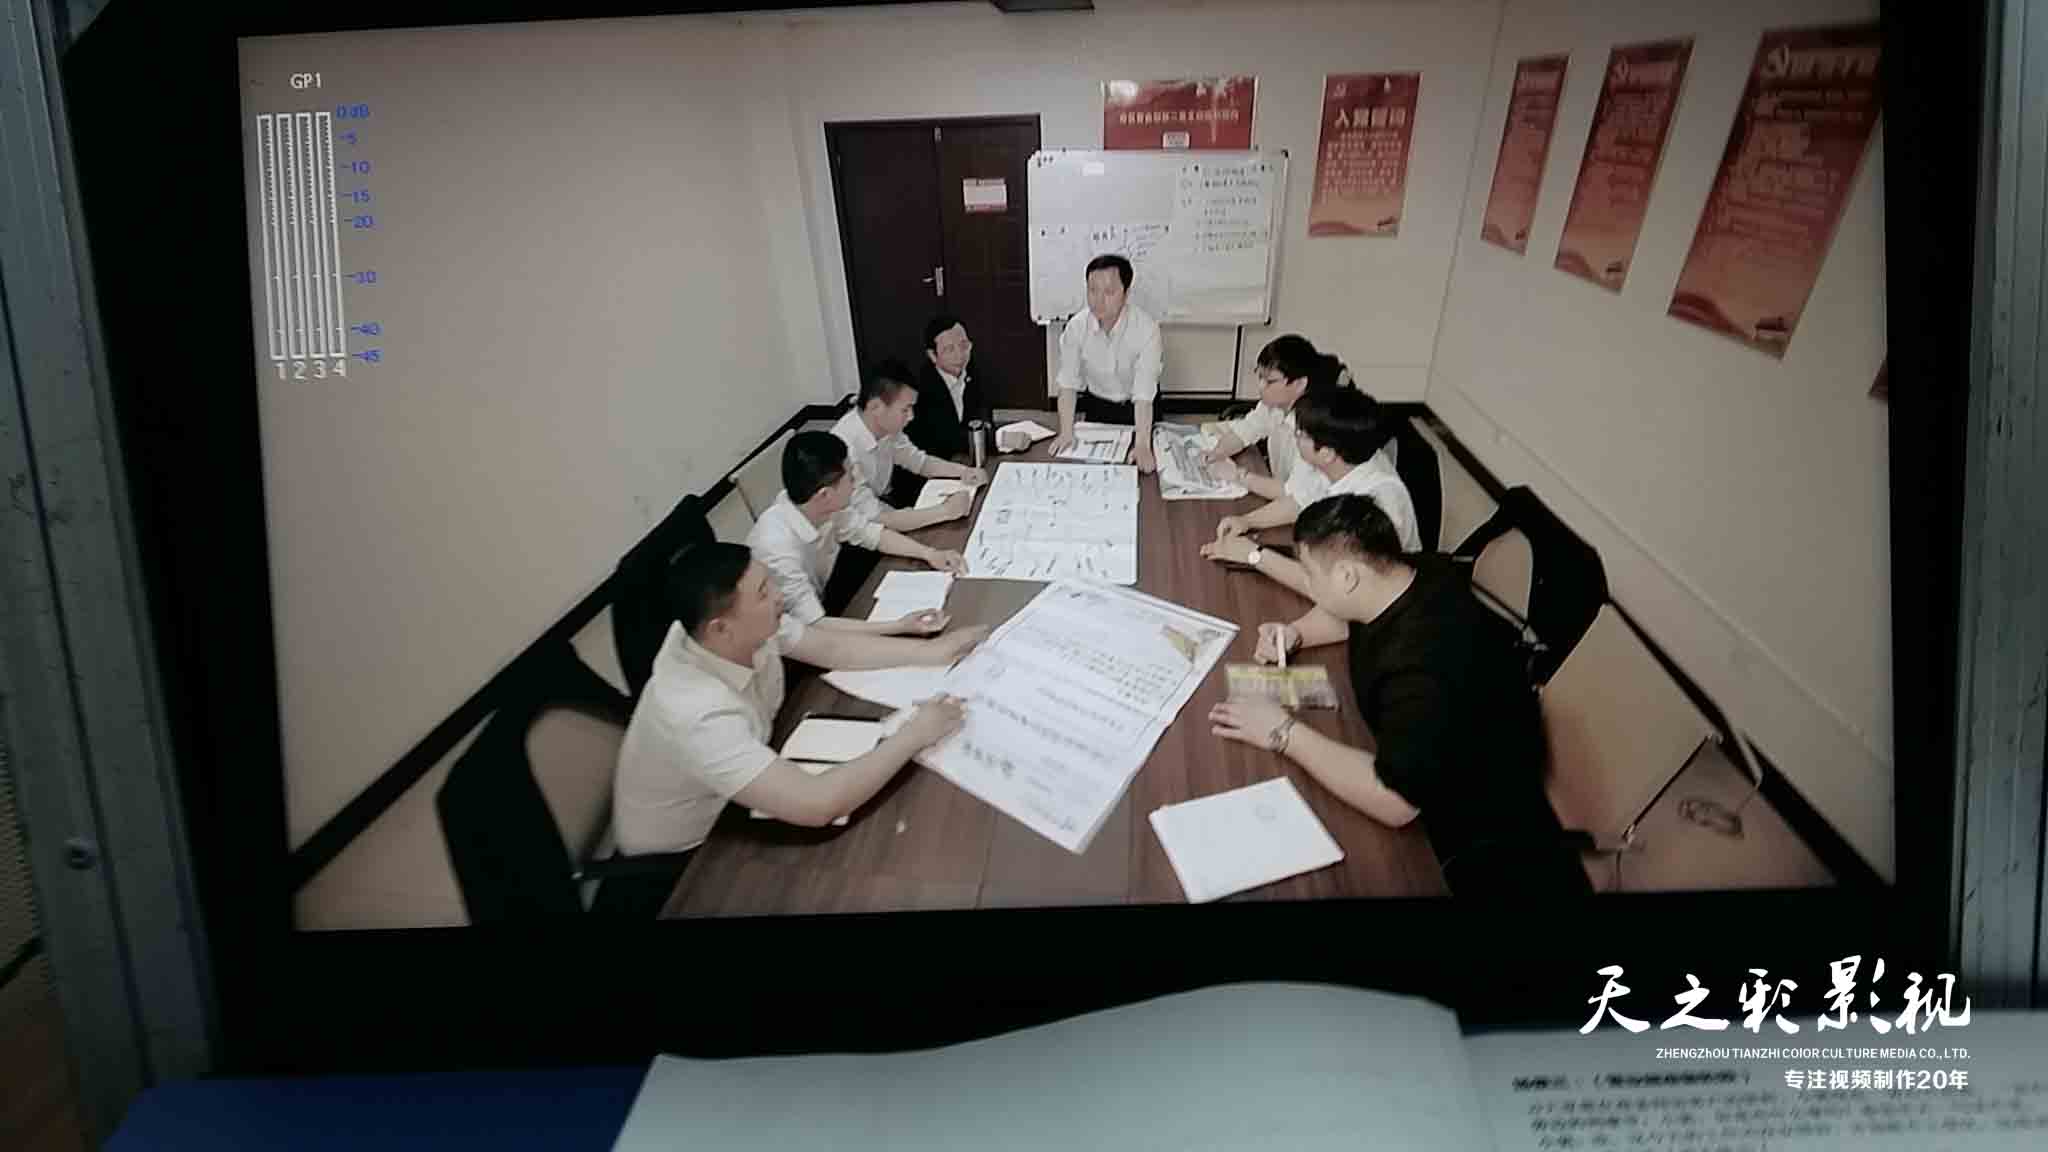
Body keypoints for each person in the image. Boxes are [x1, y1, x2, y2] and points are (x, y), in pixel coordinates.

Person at [1207, 495, 1591, 898]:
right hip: (1430, 750)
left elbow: (1395, 803)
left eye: (1310, 574)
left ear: (1347, 576)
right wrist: (1296, 632)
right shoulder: (1413, 573)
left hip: (1472, 833)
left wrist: (1282, 731)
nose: (1307, 583)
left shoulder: (1423, 669)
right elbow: (1349, 616)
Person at [612, 542, 986, 857]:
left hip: (747, 774)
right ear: (721, 628)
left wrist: (931, 651)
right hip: (694, 850)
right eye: (763, 592)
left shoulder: (741, 627)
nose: (779, 596)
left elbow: (831, 648)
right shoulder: (693, 712)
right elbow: (817, 803)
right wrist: (916, 733)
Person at [1199, 387, 1421, 598]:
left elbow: (1331, 590)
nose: (1294, 437)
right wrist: (1247, 521)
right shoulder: (1342, 461)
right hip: (1338, 575)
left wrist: (1253, 555)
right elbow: (1300, 501)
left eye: (1300, 434)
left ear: (1326, 452)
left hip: (1381, 604)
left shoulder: (1376, 500)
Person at [747, 431, 965, 627]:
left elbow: (872, 534)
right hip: (790, 634)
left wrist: (930, 553)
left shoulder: (819, 505)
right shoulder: (777, 549)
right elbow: (815, 626)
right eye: (850, 477)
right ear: (825, 494)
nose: (855, 483)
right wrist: (897, 626)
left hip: (823, 600)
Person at [832, 358, 988, 534]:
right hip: (858, 531)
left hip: (884, 506)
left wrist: (964, 471)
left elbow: (919, 462)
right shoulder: (844, 450)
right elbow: (879, 518)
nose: (911, 416)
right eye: (905, 409)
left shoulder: (887, 427)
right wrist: (945, 511)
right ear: (876, 407)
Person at [1051, 253, 1163, 473]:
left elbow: (1143, 393)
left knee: (1142, 470)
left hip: (1139, 410)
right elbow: (1068, 384)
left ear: (1126, 293)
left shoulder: (1147, 330)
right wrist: (1066, 431)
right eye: (1092, 290)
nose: (1098, 300)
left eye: (1109, 292)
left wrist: (1142, 444)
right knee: (1095, 471)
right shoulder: (1076, 327)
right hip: (1098, 406)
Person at [1202, 334, 1347, 500]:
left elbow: (1292, 495)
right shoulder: (1273, 406)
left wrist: (1238, 475)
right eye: (1260, 377)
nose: (1261, 386)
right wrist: (1217, 453)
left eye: (1270, 381)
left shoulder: (1313, 428)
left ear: (1299, 384)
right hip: (1279, 492)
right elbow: (1245, 430)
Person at [903, 314, 993, 465]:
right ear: (933, 355)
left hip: (963, 458)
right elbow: (946, 439)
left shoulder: (972, 370)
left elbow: (982, 411)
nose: (960, 355)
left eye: (964, 345)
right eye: (949, 349)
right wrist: (996, 439)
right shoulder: (921, 387)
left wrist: (986, 428)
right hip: (929, 465)